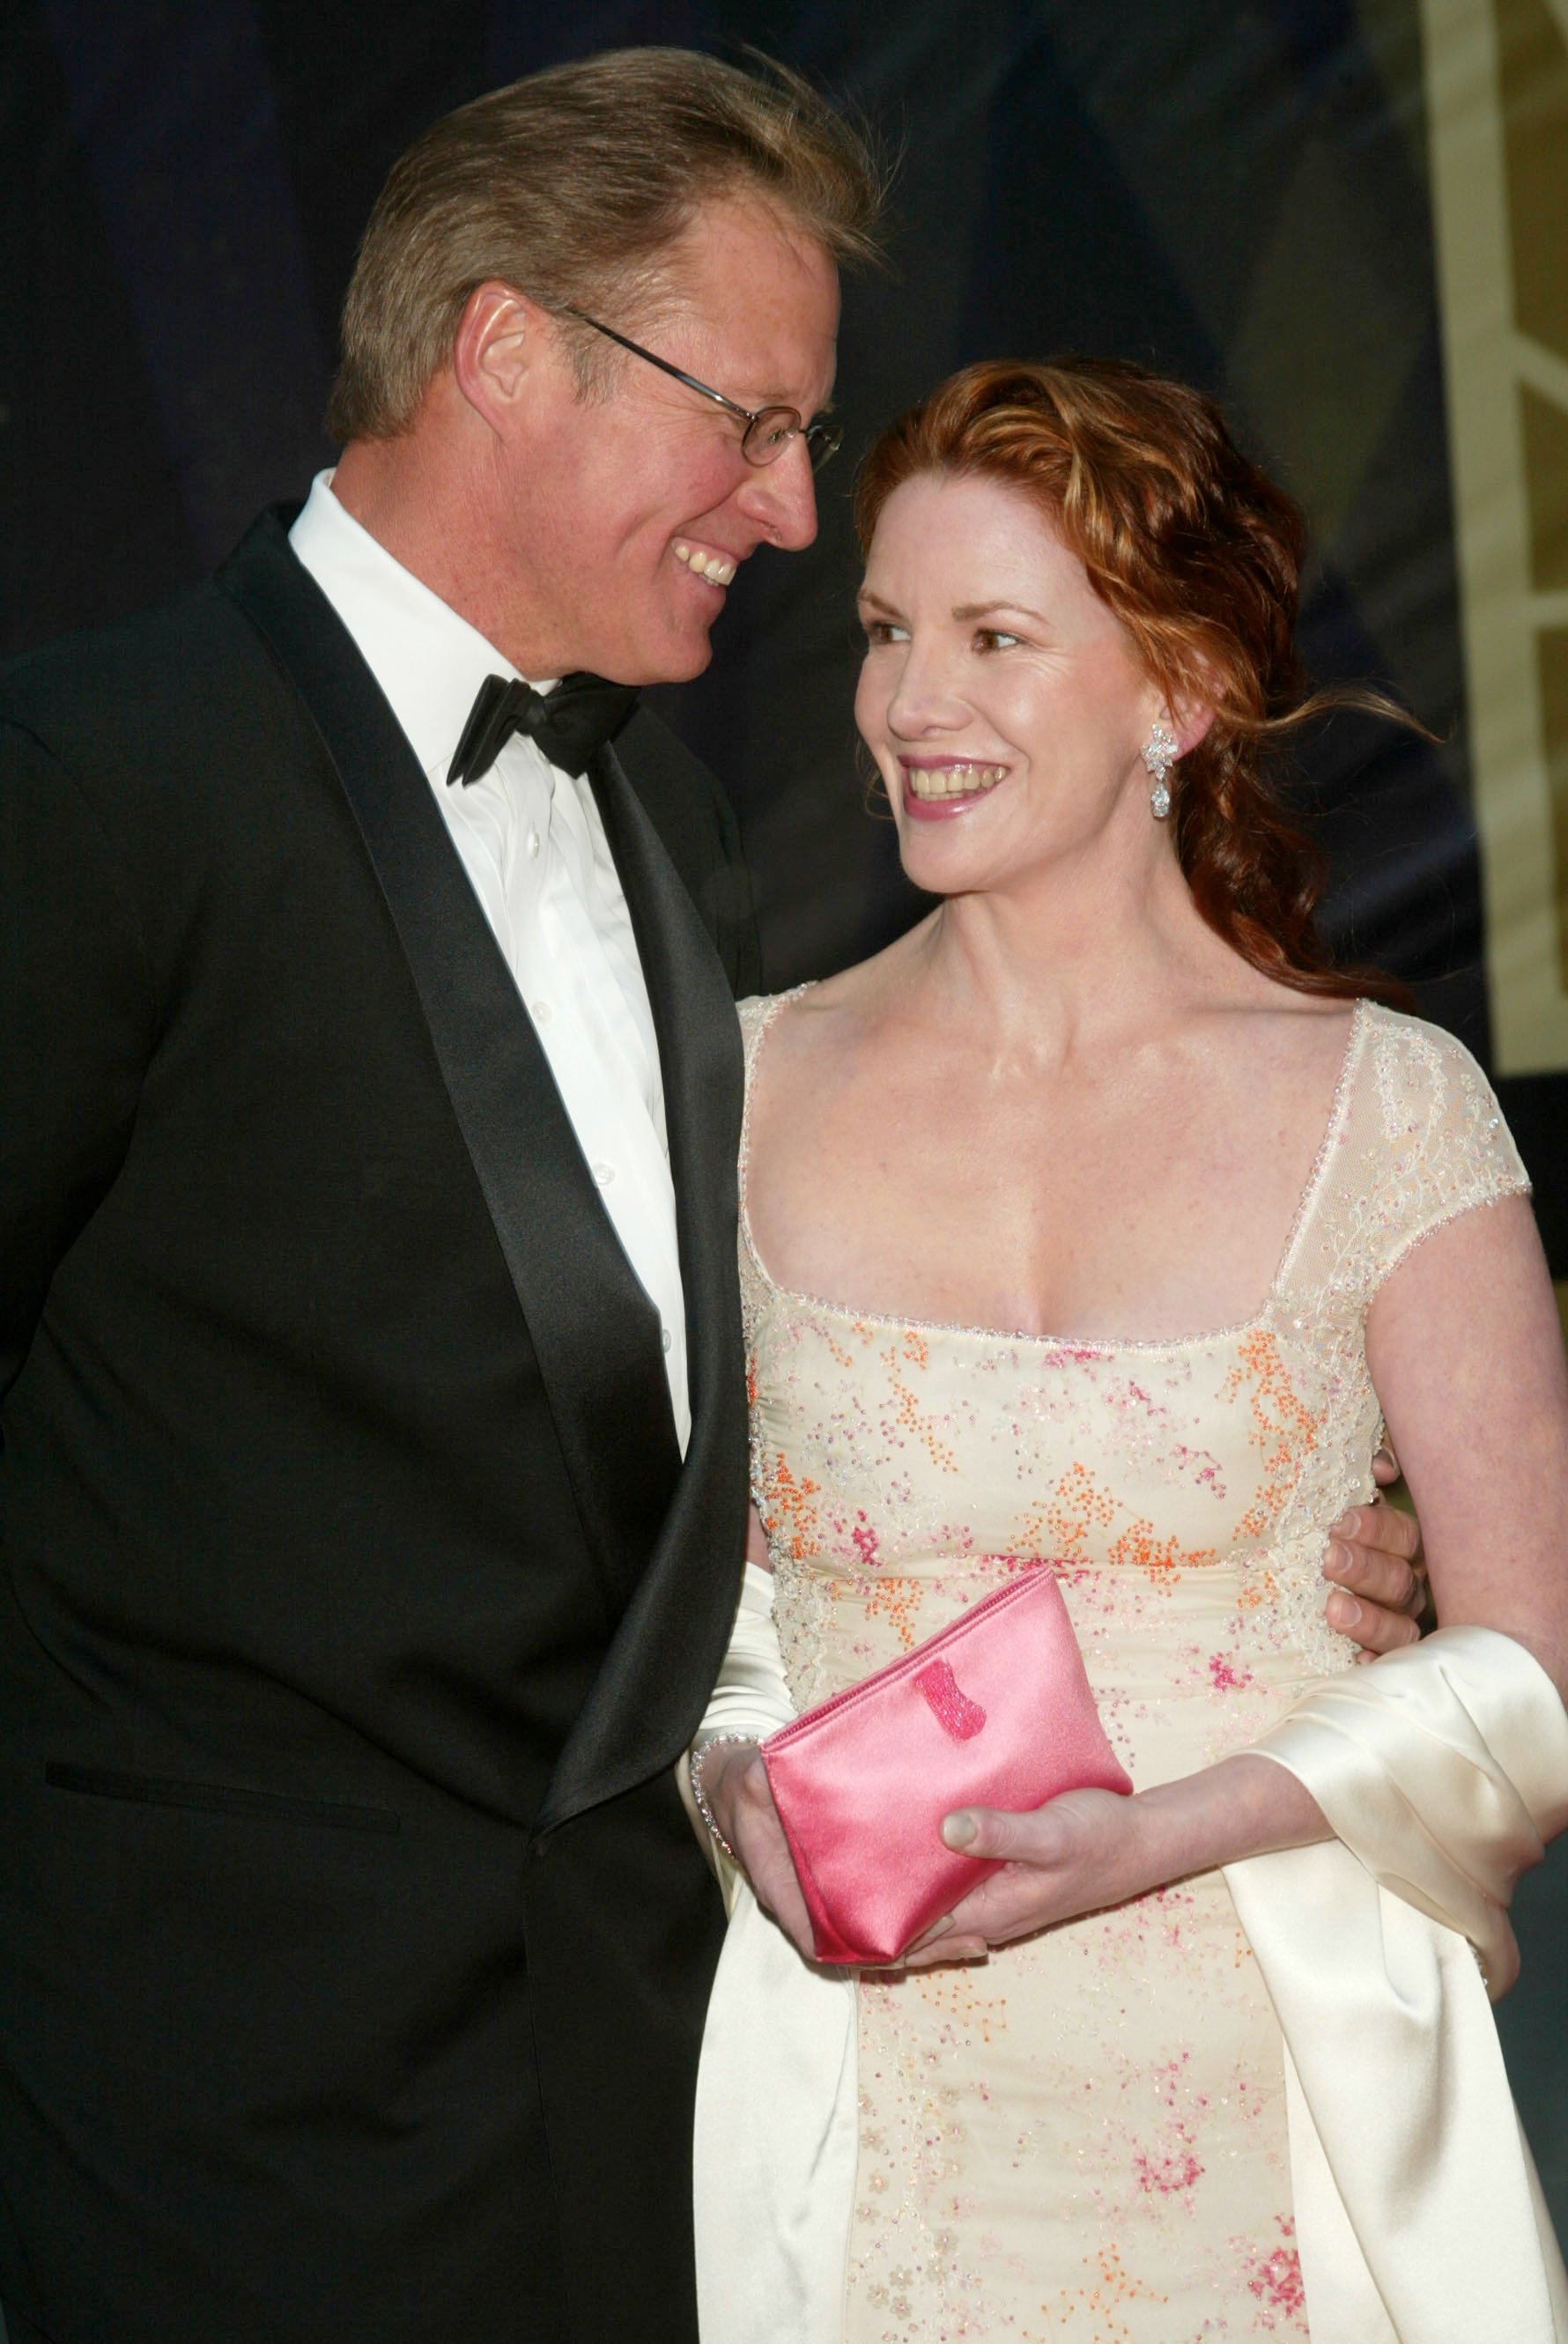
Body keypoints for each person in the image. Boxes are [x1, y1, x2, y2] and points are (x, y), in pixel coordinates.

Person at [0, 53, 1420, 2344]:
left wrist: (1291, 1534)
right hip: (224, 2143)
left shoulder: (675, 829)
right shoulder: (97, 784)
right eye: (748, 423)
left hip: (669, 2095)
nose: (784, 513)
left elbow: (733, 1422)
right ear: (503, 348)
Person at [689, 359, 1568, 2343]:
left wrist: (1169, 1829)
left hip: (1284, 2081)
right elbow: (683, 1595)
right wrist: (726, 1773)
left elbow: (1530, 1675)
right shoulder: (733, 1087)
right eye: (887, 633)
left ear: (1172, 693)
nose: (910, 705)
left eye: (994, 637)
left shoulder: (1389, 1109)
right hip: (860, 2096)